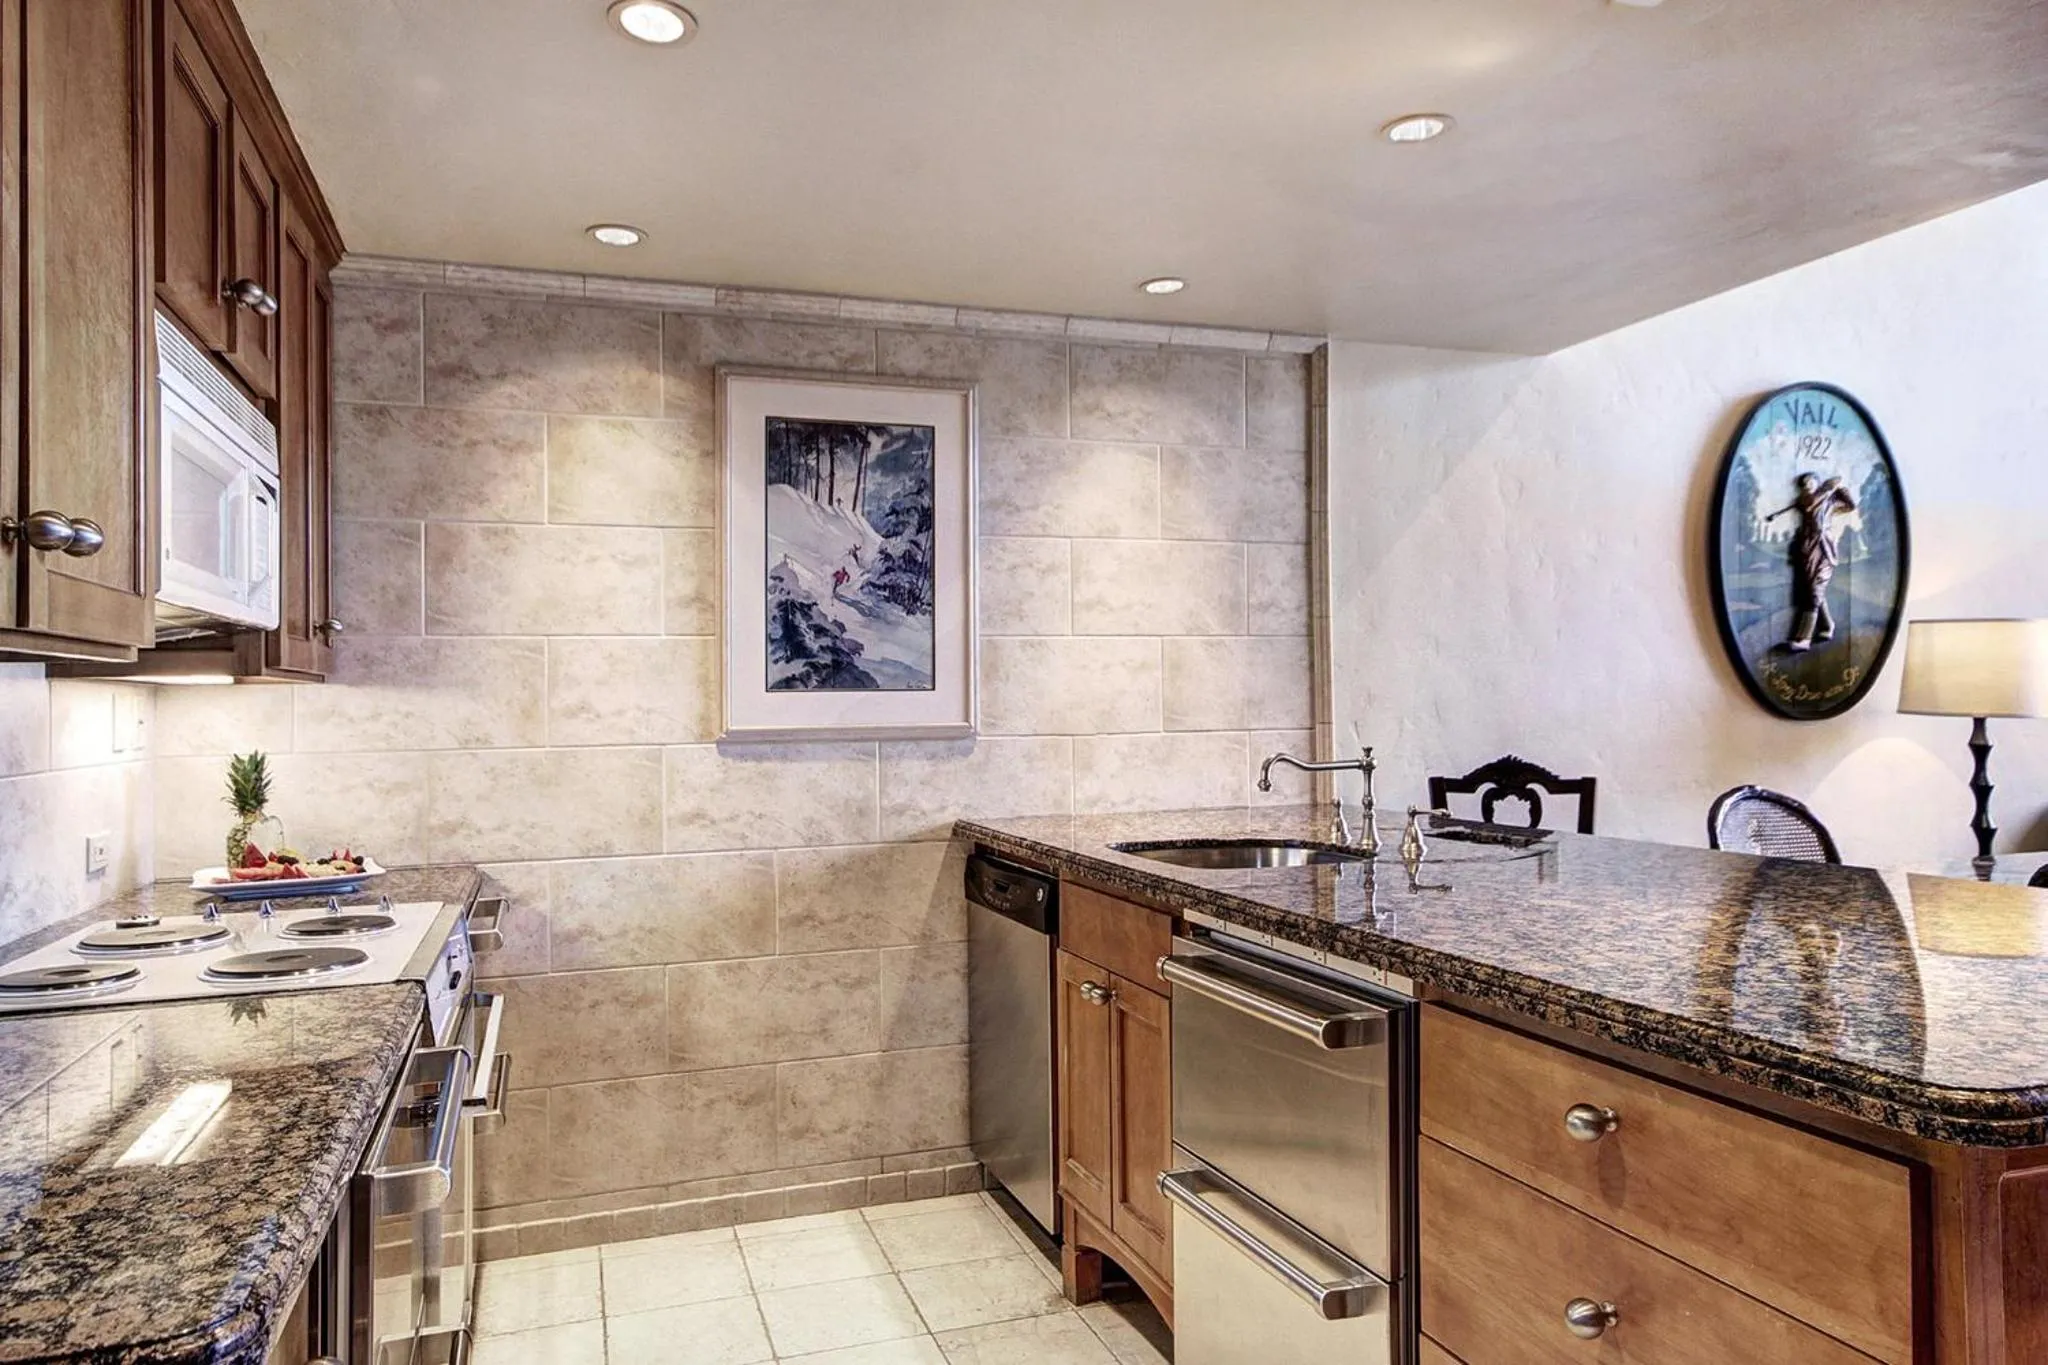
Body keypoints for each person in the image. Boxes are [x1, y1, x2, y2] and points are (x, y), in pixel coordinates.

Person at [1764, 472, 1857, 652]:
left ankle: (1803, 638)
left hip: (1825, 548)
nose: (1807, 486)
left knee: (1815, 590)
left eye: (1810, 483)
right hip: (1809, 548)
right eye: (1804, 485)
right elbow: (1811, 503)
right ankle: (1828, 626)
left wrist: (1841, 490)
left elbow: (1850, 506)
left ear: (1816, 482)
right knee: (1813, 588)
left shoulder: (1829, 503)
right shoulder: (1806, 501)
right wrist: (1828, 488)